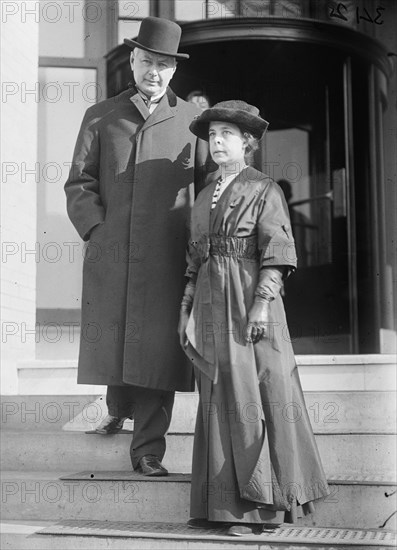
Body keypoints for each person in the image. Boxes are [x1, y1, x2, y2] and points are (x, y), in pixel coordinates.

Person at [178, 100, 330, 535]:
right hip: (210, 306)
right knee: (219, 396)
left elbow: (278, 252)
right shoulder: (204, 193)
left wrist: (263, 303)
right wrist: (187, 308)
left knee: (255, 391)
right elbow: (194, 258)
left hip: (250, 305)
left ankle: (261, 511)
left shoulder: (265, 189)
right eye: (212, 136)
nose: (217, 142)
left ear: (248, 143)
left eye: (227, 134)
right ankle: (219, 509)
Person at [64, 17, 207, 477]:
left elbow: (206, 189)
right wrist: (96, 230)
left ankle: (148, 451)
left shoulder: (192, 122)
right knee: (114, 336)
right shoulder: (102, 115)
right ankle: (117, 405)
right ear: (133, 60)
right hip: (112, 252)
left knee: (156, 354)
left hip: (166, 258)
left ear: (173, 70)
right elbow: (79, 182)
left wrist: (197, 247)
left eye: (164, 64)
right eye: (148, 60)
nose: (155, 72)